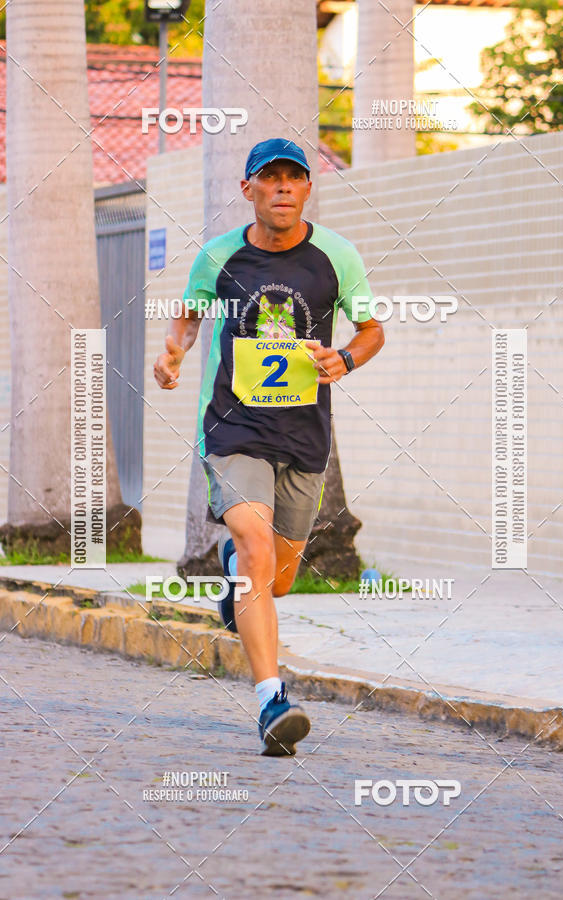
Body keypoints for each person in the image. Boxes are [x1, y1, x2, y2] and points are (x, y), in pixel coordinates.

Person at [154, 138, 384, 756]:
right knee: (257, 549)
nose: (282, 187)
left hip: (305, 436)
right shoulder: (219, 256)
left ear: (308, 188)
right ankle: (271, 700)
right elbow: (188, 314)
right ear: (248, 189)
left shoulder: (337, 257)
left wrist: (346, 358)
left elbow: (371, 330)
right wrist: (173, 352)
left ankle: (235, 572)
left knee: (276, 581)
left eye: (294, 178)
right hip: (233, 429)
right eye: (270, 178)